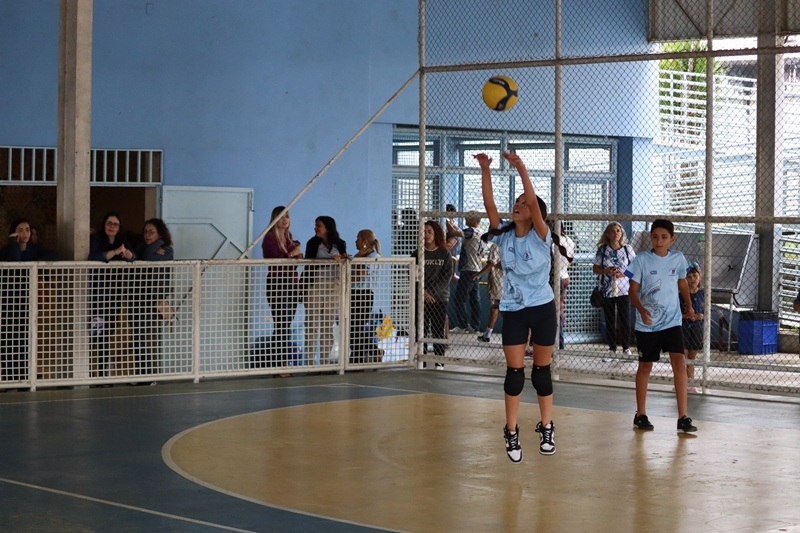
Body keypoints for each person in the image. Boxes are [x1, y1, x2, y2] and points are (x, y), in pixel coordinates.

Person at [477, 151, 568, 462]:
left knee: (541, 373)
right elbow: (490, 205)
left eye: (524, 203)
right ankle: (511, 430)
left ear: (536, 213)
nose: (518, 205)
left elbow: (532, 198)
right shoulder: (504, 237)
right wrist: (485, 169)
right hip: (514, 310)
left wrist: (521, 168)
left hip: (542, 309)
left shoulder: (541, 236)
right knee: (515, 373)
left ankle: (547, 426)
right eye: (516, 202)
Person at [627, 218, 698, 434]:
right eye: (656, 236)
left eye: (664, 237)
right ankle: (640, 414)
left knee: (679, 361)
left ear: (672, 239)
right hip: (648, 324)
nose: (659, 241)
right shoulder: (641, 260)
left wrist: (689, 305)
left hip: (672, 321)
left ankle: (683, 417)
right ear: (651, 238)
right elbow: (632, 290)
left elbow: (682, 282)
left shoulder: (678, 258)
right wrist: (641, 310)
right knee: (645, 366)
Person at [0, 218, 60, 382]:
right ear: (13, 233)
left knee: (26, 337)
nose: (25, 233)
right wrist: (13, 243)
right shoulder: (6, 250)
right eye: (20, 230)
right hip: (9, 302)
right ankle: (11, 376)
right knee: (9, 339)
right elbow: (14, 259)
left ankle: (25, 374)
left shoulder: (34, 249)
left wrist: (34, 263)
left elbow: (55, 256)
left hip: (28, 300)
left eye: (27, 230)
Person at [89, 212, 136, 378]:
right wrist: (115, 252)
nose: (112, 227)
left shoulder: (123, 240)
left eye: (115, 224)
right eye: (109, 223)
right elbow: (94, 257)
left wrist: (129, 256)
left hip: (114, 295)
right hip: (97, 297)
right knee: (95, 334)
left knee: (108, 333)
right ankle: (89, 372)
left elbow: (134, 256)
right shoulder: (96, 239)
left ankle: (103, 374)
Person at [132, 218, 174, 377]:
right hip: (138, 299)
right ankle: (141, 373)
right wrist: (154, 247)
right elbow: (144, 255)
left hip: (153, 300)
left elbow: (148, 257)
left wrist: (159, 243)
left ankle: (148, 374)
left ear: (160, 234)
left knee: (147, 337)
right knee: (138, 337)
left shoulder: (167, 250)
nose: (147, 235)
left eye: (151, 232)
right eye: (145, 232)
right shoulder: (140, 247)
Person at [261, 206, 303, 367]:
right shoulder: (269, 238)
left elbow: (293, 264)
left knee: (287, 324)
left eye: (287, 216)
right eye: (281, 216)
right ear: (275, 219)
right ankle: (279, 363)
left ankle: (282, 361)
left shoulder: (289, 237)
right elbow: (275, 262)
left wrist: (297, 255)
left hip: (292, 283)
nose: (285, 220)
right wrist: (292, 254)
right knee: (281, 324)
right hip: (278, 283)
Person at [303, 216, 347, 366]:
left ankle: (324, 362)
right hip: (315, 285)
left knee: (328, 324)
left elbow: (343, 261)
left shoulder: (340, 243)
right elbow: (309, 263)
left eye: (318, 226)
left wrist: (342, 258)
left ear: (327, 228)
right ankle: (309, 363)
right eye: (315, 225)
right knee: (312, 324)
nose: (315, 228)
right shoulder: (312, 243)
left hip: (333, 286)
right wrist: (329, 261)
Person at [593, 222, 636, 362]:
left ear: (622, 233)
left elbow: (635, 268)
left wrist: (623, 274)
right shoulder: (603, 250)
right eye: (613, 231)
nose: (616, 233)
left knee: (624, 318)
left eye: (618, 231)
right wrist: (606, 271)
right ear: (608, 234)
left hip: (624, 289)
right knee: (610, 319)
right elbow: (595, 268)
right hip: (607, 289)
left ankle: (626, 348)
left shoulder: (627, 249)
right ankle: (612, 349)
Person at [414, 220, 453, 367]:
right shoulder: (418, 253)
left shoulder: (444, 253)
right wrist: (423, 292)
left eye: (429, 232)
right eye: (423, 232)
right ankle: (422, 361)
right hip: (421, 297)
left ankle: (439, 362)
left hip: (439, 298)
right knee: (421, 329)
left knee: (437, 329)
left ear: (436, 234)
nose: (426, 235)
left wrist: (432, 293)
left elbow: (446, 277)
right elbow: (412, 273)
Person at [350, 229, 382, 363]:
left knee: (356, 328)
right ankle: (370, 352)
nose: (355, 241)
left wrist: (358, 258)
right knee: (353, 328)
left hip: (364, 295)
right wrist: (358, 256)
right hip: (354, 293)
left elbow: (359, 275)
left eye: (358, 239)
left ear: (365, 241)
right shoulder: (360, 256)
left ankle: (357, 359)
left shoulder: (373, 257)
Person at [450, 212, 485, 334]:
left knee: (459, 298)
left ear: (474, 220)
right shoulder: (481, 233)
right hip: (477, 269)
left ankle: (463, 325)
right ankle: (475, 326)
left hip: (468, 269)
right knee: (475, 299)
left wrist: (448, 221)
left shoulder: (470, 231)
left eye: (468, 217)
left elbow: (454, 232)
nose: (465, 218)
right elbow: (482, 254)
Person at [680, 262, 704, 394]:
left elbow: (706, 312)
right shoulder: (680, 295)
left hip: (696, 328)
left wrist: (700, 316)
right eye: (689, 277)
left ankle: (691, 382)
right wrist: (686, 316)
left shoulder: (702, 294)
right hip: (683, 327)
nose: (692, 279)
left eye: (695, 276)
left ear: (699, 277)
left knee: (692, 358)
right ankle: (682, 383)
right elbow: (676, 313)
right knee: (683, 357)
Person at [551, 221, 575, 350]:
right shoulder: (569, 241)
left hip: (555, 277)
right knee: (560, 307)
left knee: (554, 310)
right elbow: (570, 261)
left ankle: (558, 342)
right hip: (565, 275)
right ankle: (560, 342)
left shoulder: (552, 241)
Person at [475, 241, 503, 342]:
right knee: (495, 307)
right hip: (503, 281)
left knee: (501, 307)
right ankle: (487, 334)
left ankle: (514, 333)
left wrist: (479, 273)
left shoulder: (496, 245)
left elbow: (492, 263)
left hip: (499, 282)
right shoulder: (509, 243)